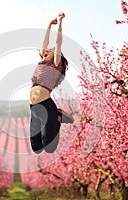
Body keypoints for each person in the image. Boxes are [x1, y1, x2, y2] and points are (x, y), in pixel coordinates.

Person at [30, 12, 74, 154]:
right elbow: (45, 42)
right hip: (33, 108)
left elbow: (57, 43)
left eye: (51, 51)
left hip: (46, 106)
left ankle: (58, 117)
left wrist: (60, 22)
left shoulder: (55, 64)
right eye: (47, 50)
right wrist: (49, 24)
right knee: (36, 148)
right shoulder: (42, 61)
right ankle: (57, 117)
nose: (47, 50)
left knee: (49, 148)